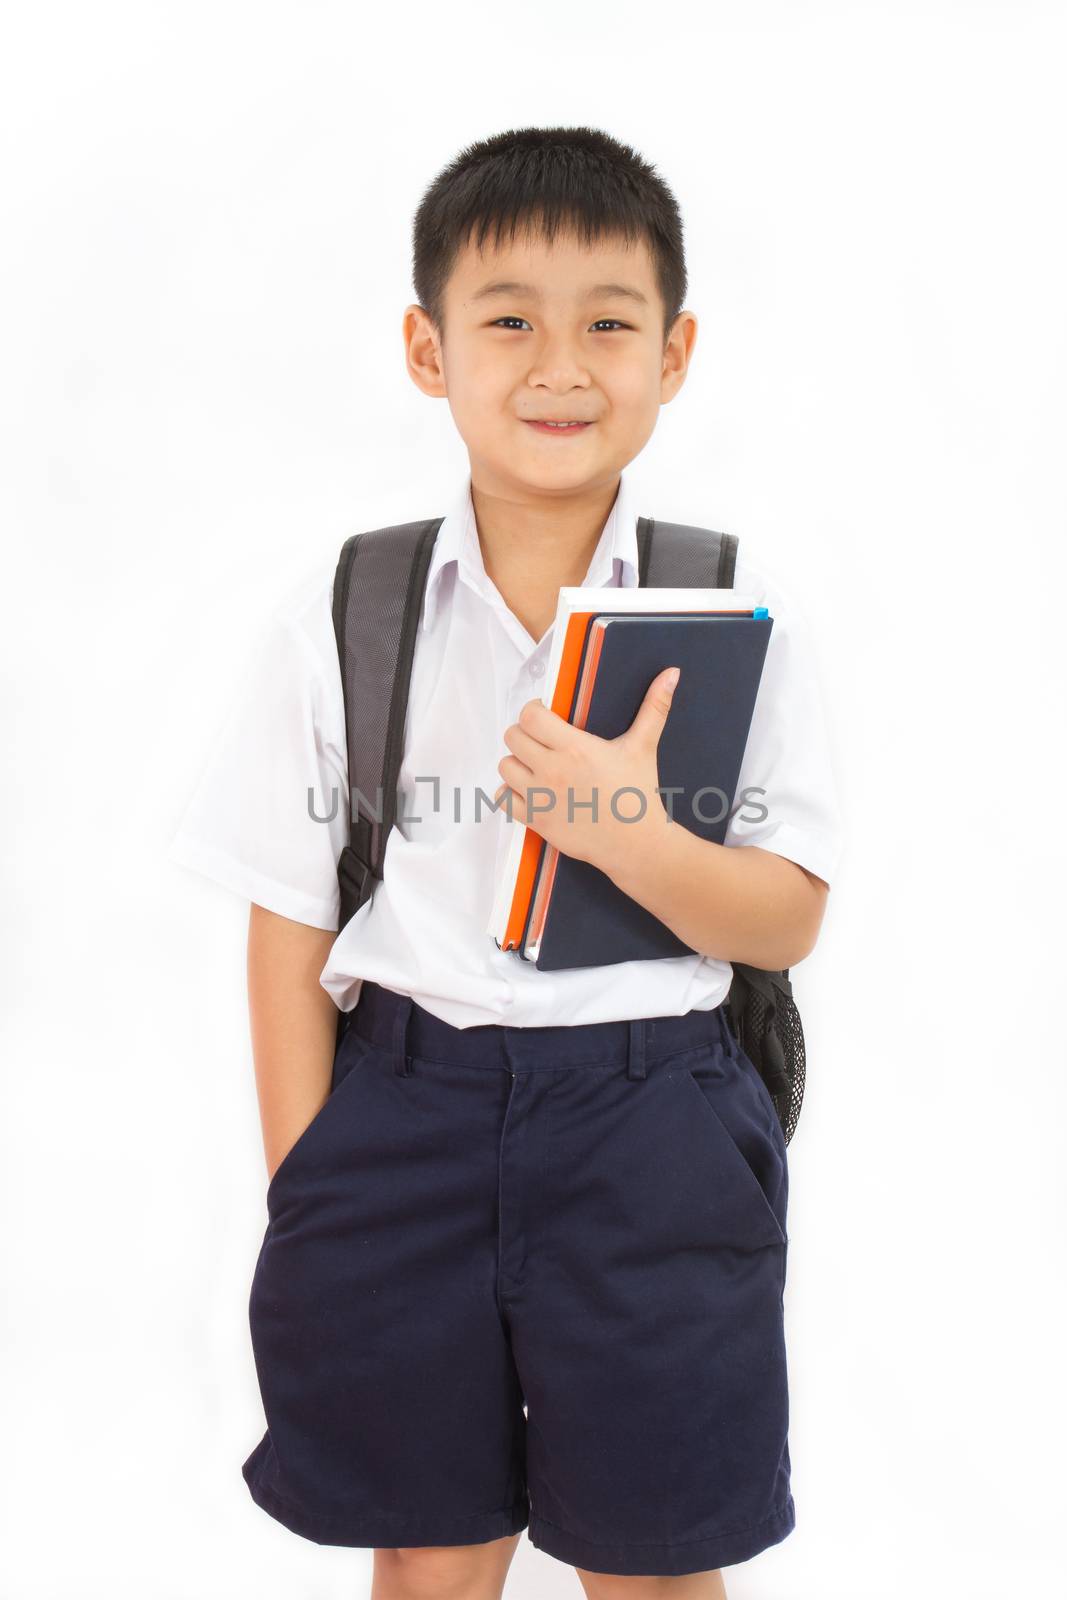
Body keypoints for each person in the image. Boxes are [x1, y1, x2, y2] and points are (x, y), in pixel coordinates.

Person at [169, 124, 843, 1599]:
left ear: (675, 353)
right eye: (508, 322)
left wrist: (629, 831)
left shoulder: (732, 607)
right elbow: (287, 922)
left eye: (609, 322)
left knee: (658, 1556)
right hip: (407, 1112)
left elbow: (786, 918)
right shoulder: (347, 606)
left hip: (654, 1122)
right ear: (428, 350)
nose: (560, 365)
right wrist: (313, 1183)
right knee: (432, 1543)